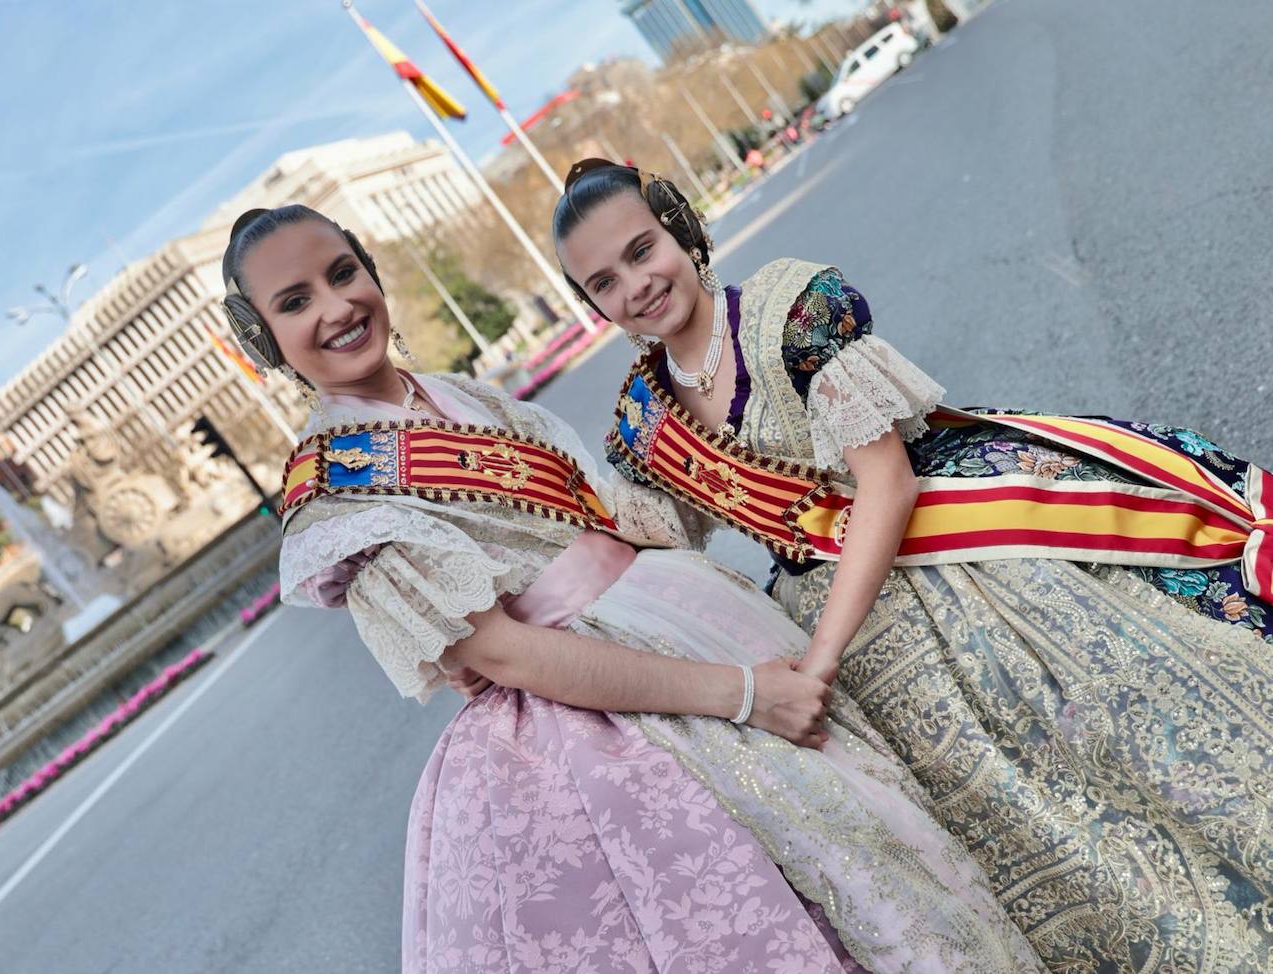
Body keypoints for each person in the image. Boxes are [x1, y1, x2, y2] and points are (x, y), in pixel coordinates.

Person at [220, 204, 1042, 973]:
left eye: (341, 273)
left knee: (884, 856)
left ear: (371, 271)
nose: (335, 307)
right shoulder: (336, 499)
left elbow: (609, 519)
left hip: (688, 629)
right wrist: (747, 696)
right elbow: (504, 653)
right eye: (295, 301)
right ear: (265, 341)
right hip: (601, 720)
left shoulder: (458, 396)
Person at [552, 160, 1273, 972]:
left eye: (643, 251)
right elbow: (655, 547)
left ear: (679, 227)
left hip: (944, 546)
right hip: (818, 598)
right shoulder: (644, 419)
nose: (637, 287)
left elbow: (887, 484)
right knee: (994, 816)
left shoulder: (789, 311)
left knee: (1109, 711)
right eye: (605, 283)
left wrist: (819, 661)